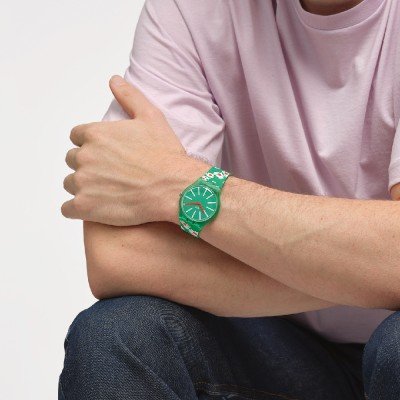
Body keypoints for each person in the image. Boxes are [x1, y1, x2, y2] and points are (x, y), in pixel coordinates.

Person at [59, 0, 400, 398]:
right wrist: (367, 267)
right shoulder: (193, 9)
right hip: (283, 346)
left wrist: (178, 183)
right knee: (117, 334)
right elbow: (118, 255)